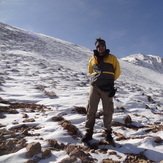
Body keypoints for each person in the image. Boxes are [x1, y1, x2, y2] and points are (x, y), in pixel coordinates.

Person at [82, 38, 121, 144]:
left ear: (105, 46)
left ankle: (108, 133)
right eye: (99, 46)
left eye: (102, 45)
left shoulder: (112, 58)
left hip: (107, 88)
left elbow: (117, 72)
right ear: (96, 47)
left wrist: (109, 81)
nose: (101, 47)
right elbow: (90, 71)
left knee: (108, 111)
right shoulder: (92, 59)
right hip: (94, 87)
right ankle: (88, 133)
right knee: (91, 110)